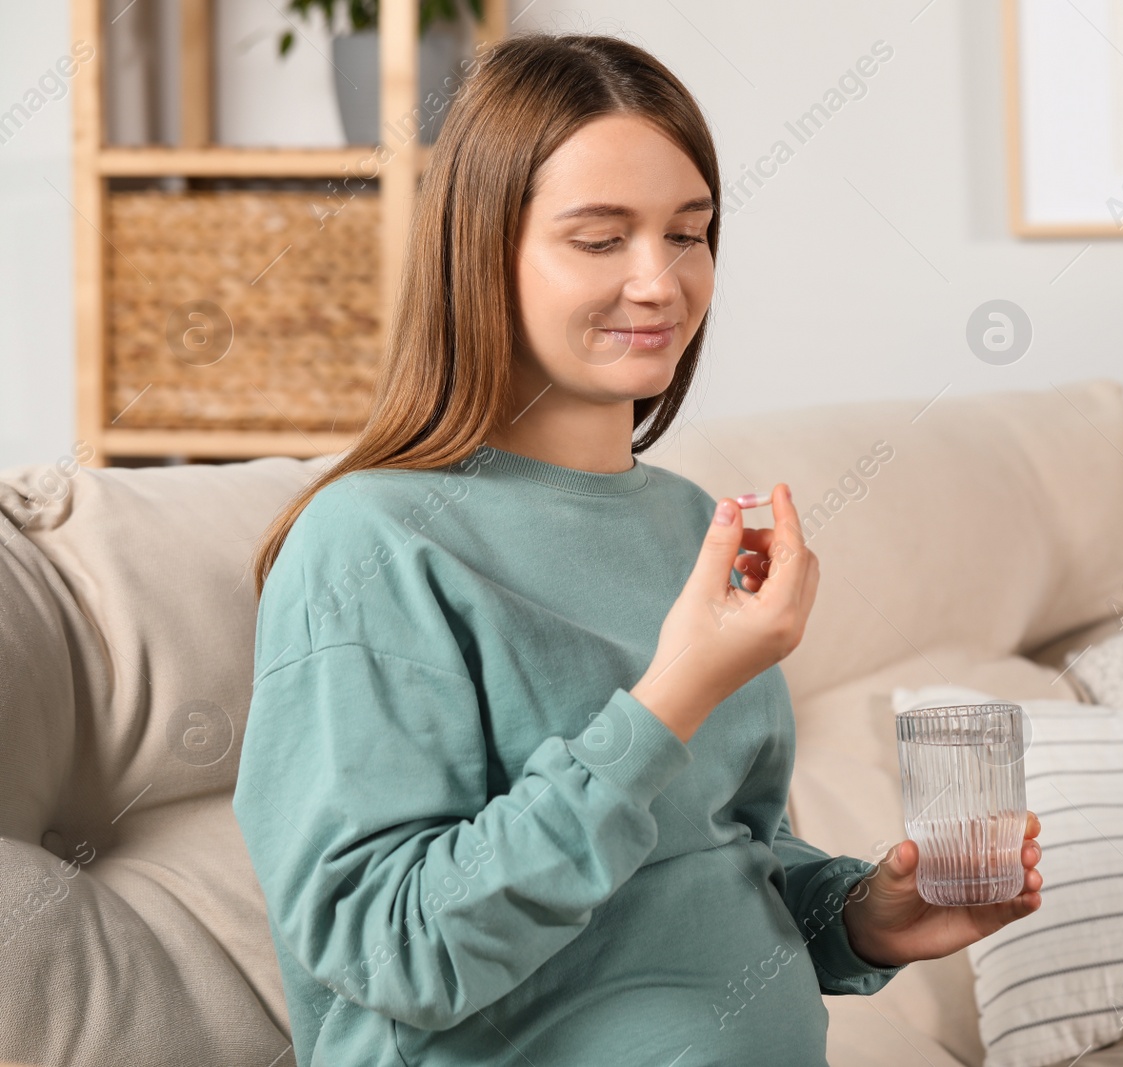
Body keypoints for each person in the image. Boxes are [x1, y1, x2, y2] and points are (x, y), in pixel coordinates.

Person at [233, 31, 1042, 1067]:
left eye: (688, 233)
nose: (660, 282)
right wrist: (670, 695)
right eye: (600, 238)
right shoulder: (370, 544)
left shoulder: (688, 521)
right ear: (483, 251)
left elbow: (719, 857)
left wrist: (863, 913)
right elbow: (396, 948)